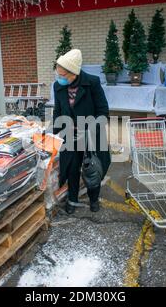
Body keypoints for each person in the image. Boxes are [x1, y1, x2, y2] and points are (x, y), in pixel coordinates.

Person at [52, 49, 111, 214]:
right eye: (58, 73)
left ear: (74, 73)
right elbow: (58, 111)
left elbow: (103, 112)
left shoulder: (92, 83)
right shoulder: (59, 86)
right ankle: (72, 199)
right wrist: (54, 131)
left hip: (91, 134)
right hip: (70, 134)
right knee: (71, 167)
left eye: (63, 75)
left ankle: (94, 200)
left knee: (92, 166)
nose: (60, 78)